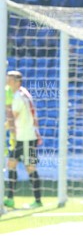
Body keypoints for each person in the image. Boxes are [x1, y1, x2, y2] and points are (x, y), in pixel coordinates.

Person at [3, 71, 43, 208]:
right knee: (11, 164)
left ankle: (37, 201)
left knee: (30, 168)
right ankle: (10, 198)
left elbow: (12, 118)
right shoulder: (22, 93)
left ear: (17, 82)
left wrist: (5, 127)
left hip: (26, 137)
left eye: (10, 80)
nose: (7, 82)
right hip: (23, 137)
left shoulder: (18, 97)